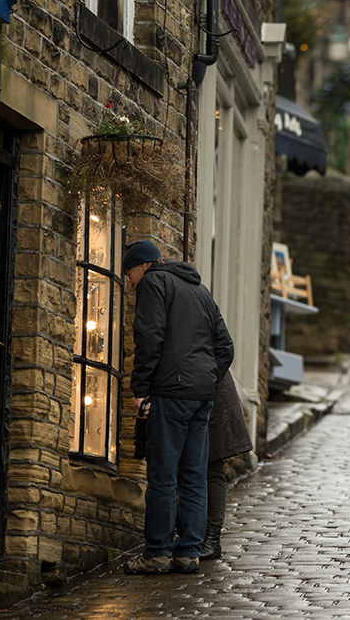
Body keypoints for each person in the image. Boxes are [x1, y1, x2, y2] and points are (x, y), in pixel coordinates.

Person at [121, 239, 234, 575]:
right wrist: (207, 382)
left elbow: (149, 336)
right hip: (201, 397)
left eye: (129, 274)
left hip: (170, 393)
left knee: (163, 476)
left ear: (142, 265)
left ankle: (156, 553)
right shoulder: (200, 290)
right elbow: (225, 347)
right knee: (195, 476)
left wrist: (140, 389)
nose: (130, 283)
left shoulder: (154, 282)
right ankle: (188, 554)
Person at [199, 370, 253, 560]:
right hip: (196, 389)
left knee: (212, 467)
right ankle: (195, 536)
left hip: (211, 393)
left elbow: (224, 349)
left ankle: (212, 539)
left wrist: (209, 375)